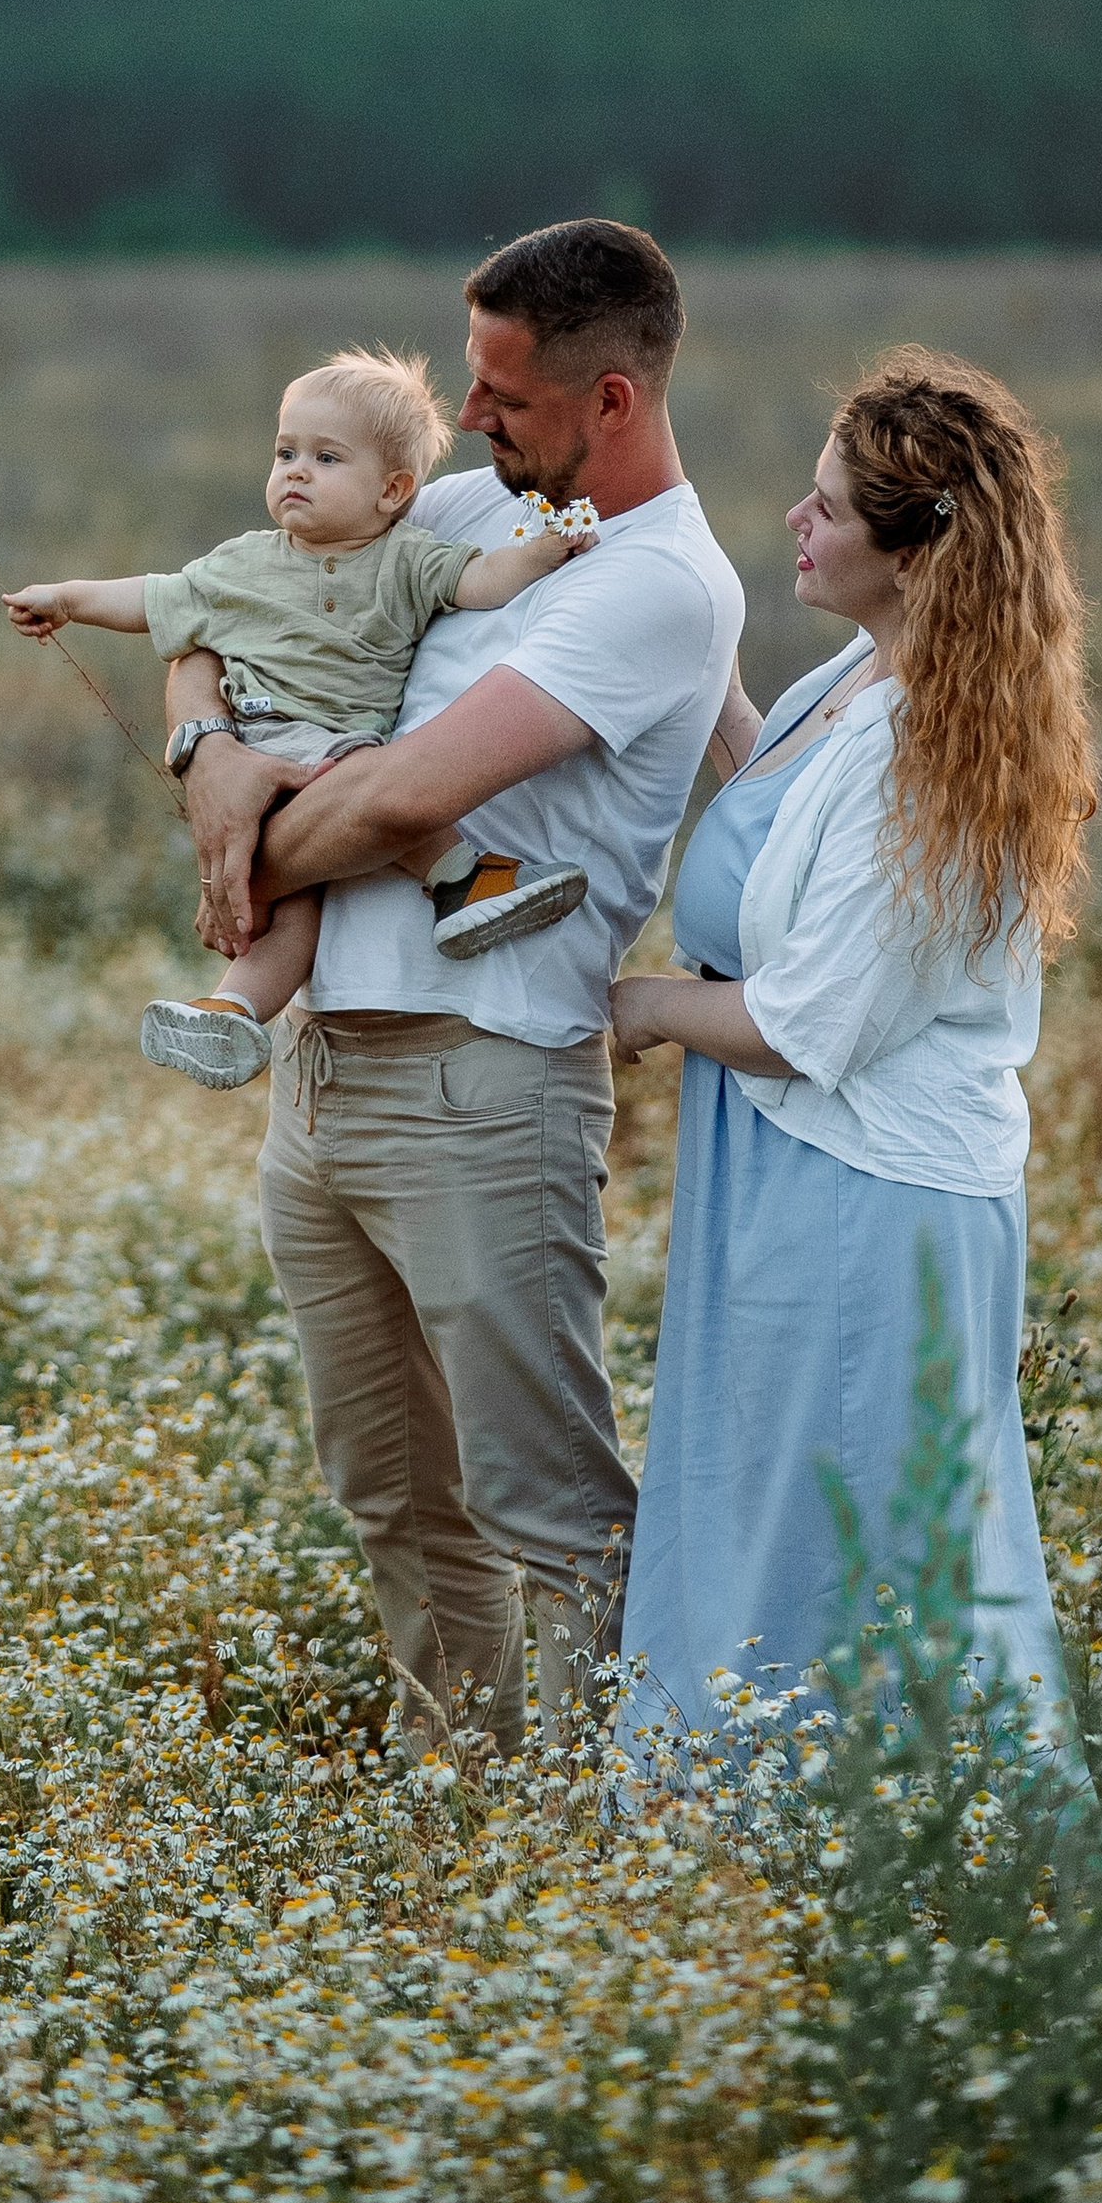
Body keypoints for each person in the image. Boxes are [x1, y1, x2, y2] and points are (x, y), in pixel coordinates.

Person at [175, 222, 748, 1755]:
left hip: (483, 1085)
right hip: (324, 1077)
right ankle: (466, 1808)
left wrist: (248, 848)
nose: (469, 417)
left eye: (504, 393)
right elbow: (229, 600)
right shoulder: (475, 502)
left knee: (549, 1510)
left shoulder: (657, 584)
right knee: (392, 1495)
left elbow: (406, 800)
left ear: (611, 398)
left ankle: (601, 1835)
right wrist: (205, 746)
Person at [609, 347, 1099, 1776]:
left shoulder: (929, 747)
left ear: (913, 546)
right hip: (792, 1174)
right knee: (784, 1521)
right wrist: (701, 683)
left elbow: (804, 1024)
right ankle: (766, 1845)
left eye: (826, 505)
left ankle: (860, 1847)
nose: (794, 519)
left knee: (838, 1548)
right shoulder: (866, 677)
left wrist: (637, 1006)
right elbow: (788, 825)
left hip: (859, 1197)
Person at [1, 349, 599, 1086]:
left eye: (325, 458)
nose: (296, 472)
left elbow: (482, 581)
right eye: (285, 453)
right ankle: (450, 886)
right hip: (260, 735)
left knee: (304, 899)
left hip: (336, 753)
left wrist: (542, 551)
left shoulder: (409, 560)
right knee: (360, 792)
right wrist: (67, 598)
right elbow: (157, 598)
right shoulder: (244, 563)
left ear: (392, 490)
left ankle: (238, 1006)